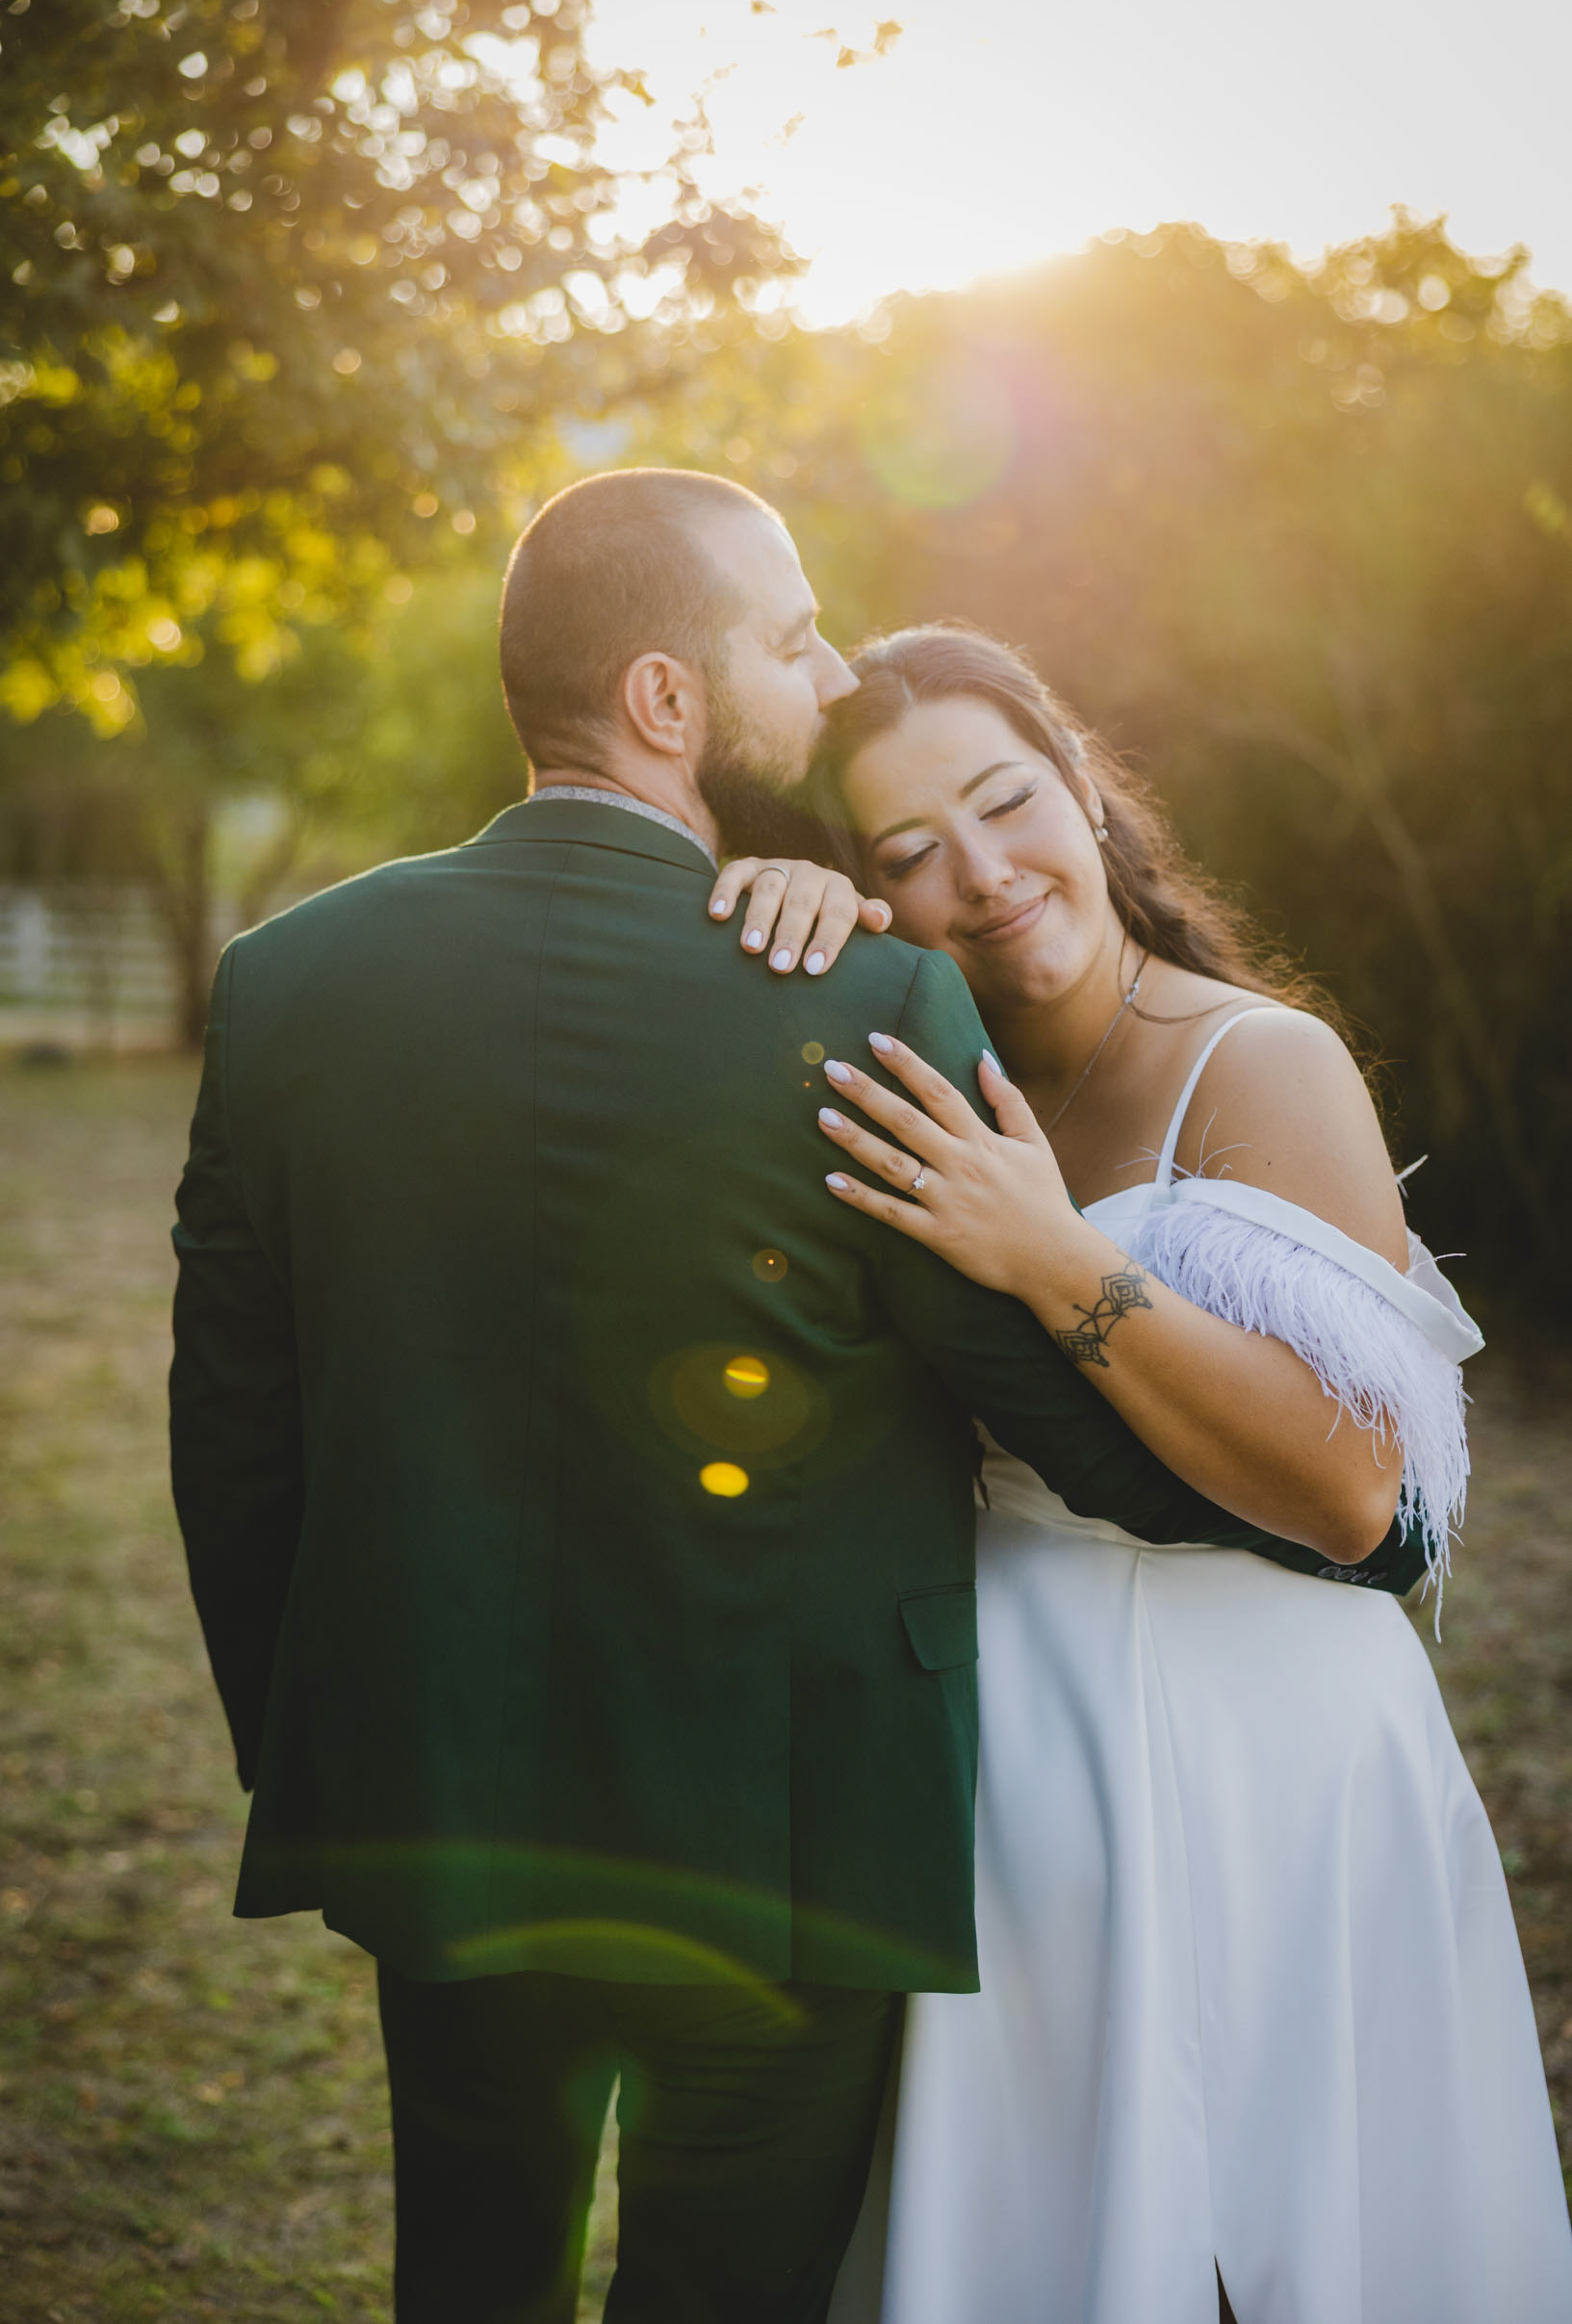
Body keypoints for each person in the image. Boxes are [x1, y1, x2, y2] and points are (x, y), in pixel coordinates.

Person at [168, 476, 1402, 2324]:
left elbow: (234, 1442)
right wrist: (1343, 1514)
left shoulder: (284, 985)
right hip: (791, 1827)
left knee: (469, 2284)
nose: (826, 676)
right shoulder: (873, 995)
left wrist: (325, 1749)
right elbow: (1049, 1415)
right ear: (668, 702)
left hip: (435, 1796)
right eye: (792, 632)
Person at [716, 624, 1572, 2323]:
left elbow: (1348, 1492)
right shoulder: (904, 1068)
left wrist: (1045, 1255)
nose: (981, 870)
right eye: (903, 851)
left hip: (1278, 1749)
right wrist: (764, 905)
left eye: (1003, 799)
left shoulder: (1259, 1062)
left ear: (1086, 787)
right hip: (1013, 1749)